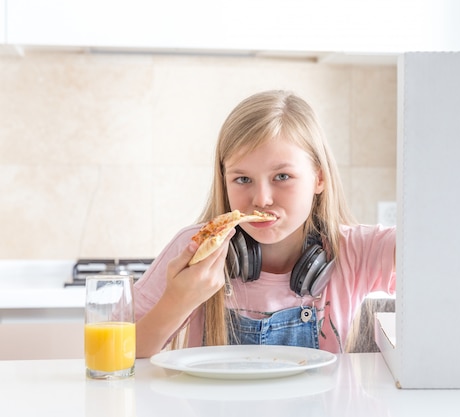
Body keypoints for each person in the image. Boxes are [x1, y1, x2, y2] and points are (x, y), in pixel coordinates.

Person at [134, 90, 396, 358]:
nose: (261, 199)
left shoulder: (357, 251)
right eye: (243, 179)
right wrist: (178, 301)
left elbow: (434, 249)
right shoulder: (194, 249)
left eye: (282, 176)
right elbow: (117, 357)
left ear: (319, 178)